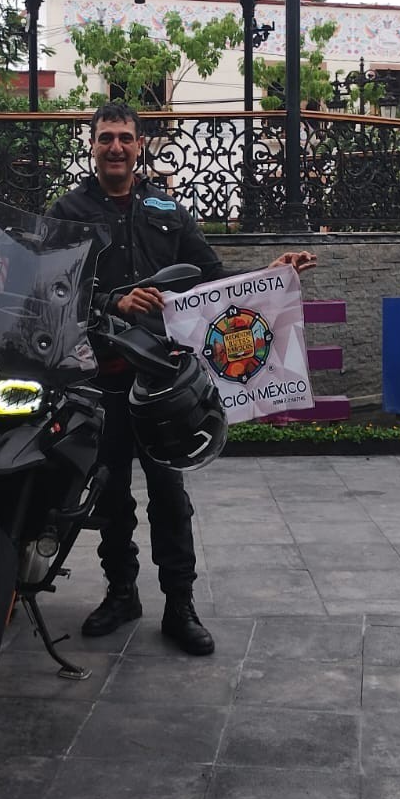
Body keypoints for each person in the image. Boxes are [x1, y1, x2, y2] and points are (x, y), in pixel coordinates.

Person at [49, 102, 316, 655]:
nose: (116, 147)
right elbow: (50, 288)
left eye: (125, 138)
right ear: (91, 144)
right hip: (97, 378)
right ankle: (121, 593)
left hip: (162, 383)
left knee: (169, 496)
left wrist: (269, 276)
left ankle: (180, 605)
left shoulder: (166, 208)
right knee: (110, 497)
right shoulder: (67, 212)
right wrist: (113, 302)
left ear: (140, 145)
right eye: (106, 137)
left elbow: (211, 278)